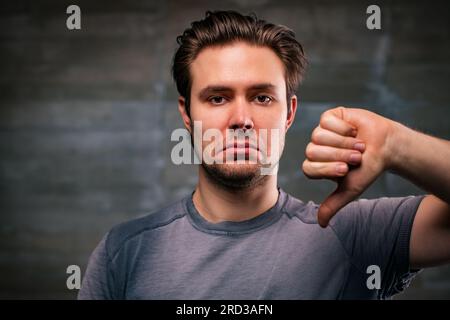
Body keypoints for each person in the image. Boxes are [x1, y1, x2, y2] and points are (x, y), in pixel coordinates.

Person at [78, 10, 450, 300]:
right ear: (186, 114)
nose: (241, 119)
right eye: (217, 98)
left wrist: (396, 145)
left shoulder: (354, 238)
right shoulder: (125, 252)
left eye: (261, 97)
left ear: (288, 113)